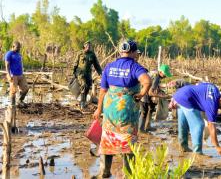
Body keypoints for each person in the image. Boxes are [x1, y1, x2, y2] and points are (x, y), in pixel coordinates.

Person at [93, 40, 151, 178]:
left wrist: (98, 109)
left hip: (110, 108)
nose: (137, 55)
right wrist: (142, 94)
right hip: (126, 109)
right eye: (137, 52)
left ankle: (104, 171)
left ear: (121, 52)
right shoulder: (135, 67)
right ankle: (128, 174)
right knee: (127, 141)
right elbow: (147, 81)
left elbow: (102, 91)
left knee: (108, 138)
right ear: (132, 52)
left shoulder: (109, 66)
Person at [171, 82, 221, 156]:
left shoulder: (214, 88)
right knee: (199, 125)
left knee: (183, 124)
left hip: (180, 94)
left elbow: (198, 84)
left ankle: (183, 147)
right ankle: (198, 153)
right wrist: (217, 146)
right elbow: (211, 127)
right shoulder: (212, 104)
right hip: (187, 99)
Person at [139, 64, 172, 132]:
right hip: (144, 94)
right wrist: (163, 96)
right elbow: (150, 92)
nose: (165, 76)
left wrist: (159, 92)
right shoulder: (156, 77)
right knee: (144, 112)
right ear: (160, 72)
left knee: (151, 109)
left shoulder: (153, 73)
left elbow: (153, 87)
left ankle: (147, 126)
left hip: (142, 91)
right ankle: (141, 130)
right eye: (165, 74)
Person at [73, 41, 102, 110]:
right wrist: (74, 73)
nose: (88, 47)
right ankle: (82, 103)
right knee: (84, 85)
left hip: (88, 73)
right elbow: (75, 63)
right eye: (87, 46)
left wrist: (101, 73)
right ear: (84, 47)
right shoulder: (80, 53)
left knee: (88, 86)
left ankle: (84, 101)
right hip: (80, 73)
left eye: (89, 46)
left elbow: (96, 65)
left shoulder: (92, 54)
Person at [4, 41, 28, 107]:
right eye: (17, 47)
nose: (19, 49)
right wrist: (8, 74)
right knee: (13, 91)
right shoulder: (9, 54)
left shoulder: (19, 54)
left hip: (20, 75)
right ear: (13, 46)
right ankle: (13, 105)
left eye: (19, 48)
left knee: (26, 88)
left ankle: (20, 101)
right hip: (13, 75)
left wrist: (22, 72)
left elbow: (20, 63)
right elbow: (7, 65)